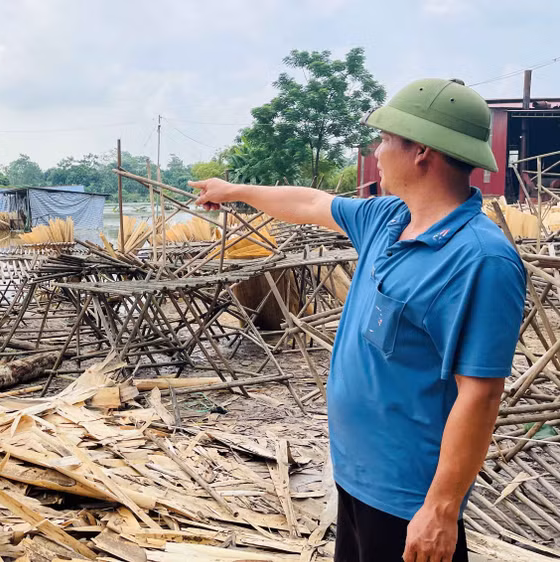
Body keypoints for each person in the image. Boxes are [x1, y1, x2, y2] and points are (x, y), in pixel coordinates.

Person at [189, 78, 526, 562]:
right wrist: (234, 189)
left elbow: (481, 393)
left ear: (422, 153)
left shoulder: (478, 260)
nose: (377, 149)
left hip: (409, 497)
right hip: (355, 473)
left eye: (386, 139)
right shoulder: (388, 218)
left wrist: (441, 509)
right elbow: (309, 203)